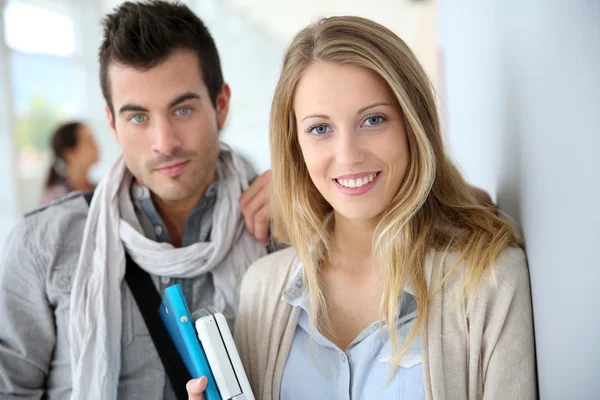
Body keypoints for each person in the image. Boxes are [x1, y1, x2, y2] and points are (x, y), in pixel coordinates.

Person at [187, 16, 536, 399]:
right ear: (295, 146)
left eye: (373, 120)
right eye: (320, 129)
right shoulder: (263, 289)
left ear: (412, 126)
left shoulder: (490, 280)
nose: (348, 155)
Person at [0, 1, 271, 399]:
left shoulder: (280, 227)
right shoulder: (44, 243)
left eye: (182, 109)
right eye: (138, 117)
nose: (164, 143)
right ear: (112, 123)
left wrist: (312, 204)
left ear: (221, 105)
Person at [41, 121, 100, 205]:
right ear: (70, 154)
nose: (96, 147)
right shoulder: (56, 199)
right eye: (89, 142)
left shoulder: (100, 190)